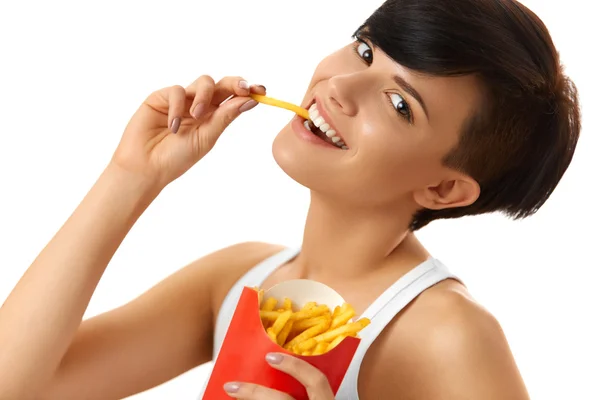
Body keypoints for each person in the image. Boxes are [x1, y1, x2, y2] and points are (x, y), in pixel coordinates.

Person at [0, 0, 580, 398]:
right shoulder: (239, 278)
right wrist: (131, 175)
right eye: (365, 50)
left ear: (444, 189)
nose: (340, 86)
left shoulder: (448, 334)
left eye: (400, 104)